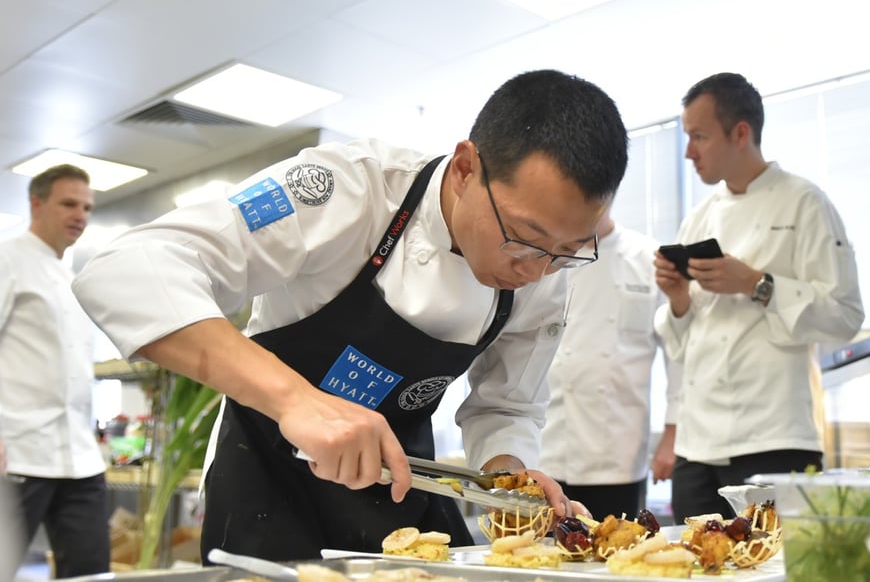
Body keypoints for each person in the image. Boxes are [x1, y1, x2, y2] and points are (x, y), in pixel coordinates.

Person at [72, 69, 629, 561]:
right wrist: (297, 402)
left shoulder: (545, 275)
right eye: (523, 239)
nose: (535, 271)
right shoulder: (348, 190)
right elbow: (123, 268)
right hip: (266, 475)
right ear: (464, 168)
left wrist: (510, 478)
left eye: (568, 250)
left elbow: (506, 403)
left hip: (403, 482)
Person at [651, 73, 864, 521]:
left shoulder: (805, 203)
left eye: (699, 137)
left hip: (776, 438)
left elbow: (844, 316)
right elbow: (680, 346)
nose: (689, 151)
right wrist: (677, 299)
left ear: (741, 133)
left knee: (777, 566)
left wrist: (756, 284)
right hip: (698, 445)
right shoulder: (698, 219)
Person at [0, 164, 110, 577]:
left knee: (90, 573)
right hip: (17, 455)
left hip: (79, 459)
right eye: (68, 203)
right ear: (36, 203)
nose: (80, 214)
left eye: (87, 206)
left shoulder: (72, 278)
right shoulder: (7, 261)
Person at [539, 211, 681, 520]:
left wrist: (672, 433)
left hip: (616, 449)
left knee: (615, 551)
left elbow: (678, 354)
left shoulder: (649, 259)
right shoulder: (543, 255)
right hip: (545, 443)